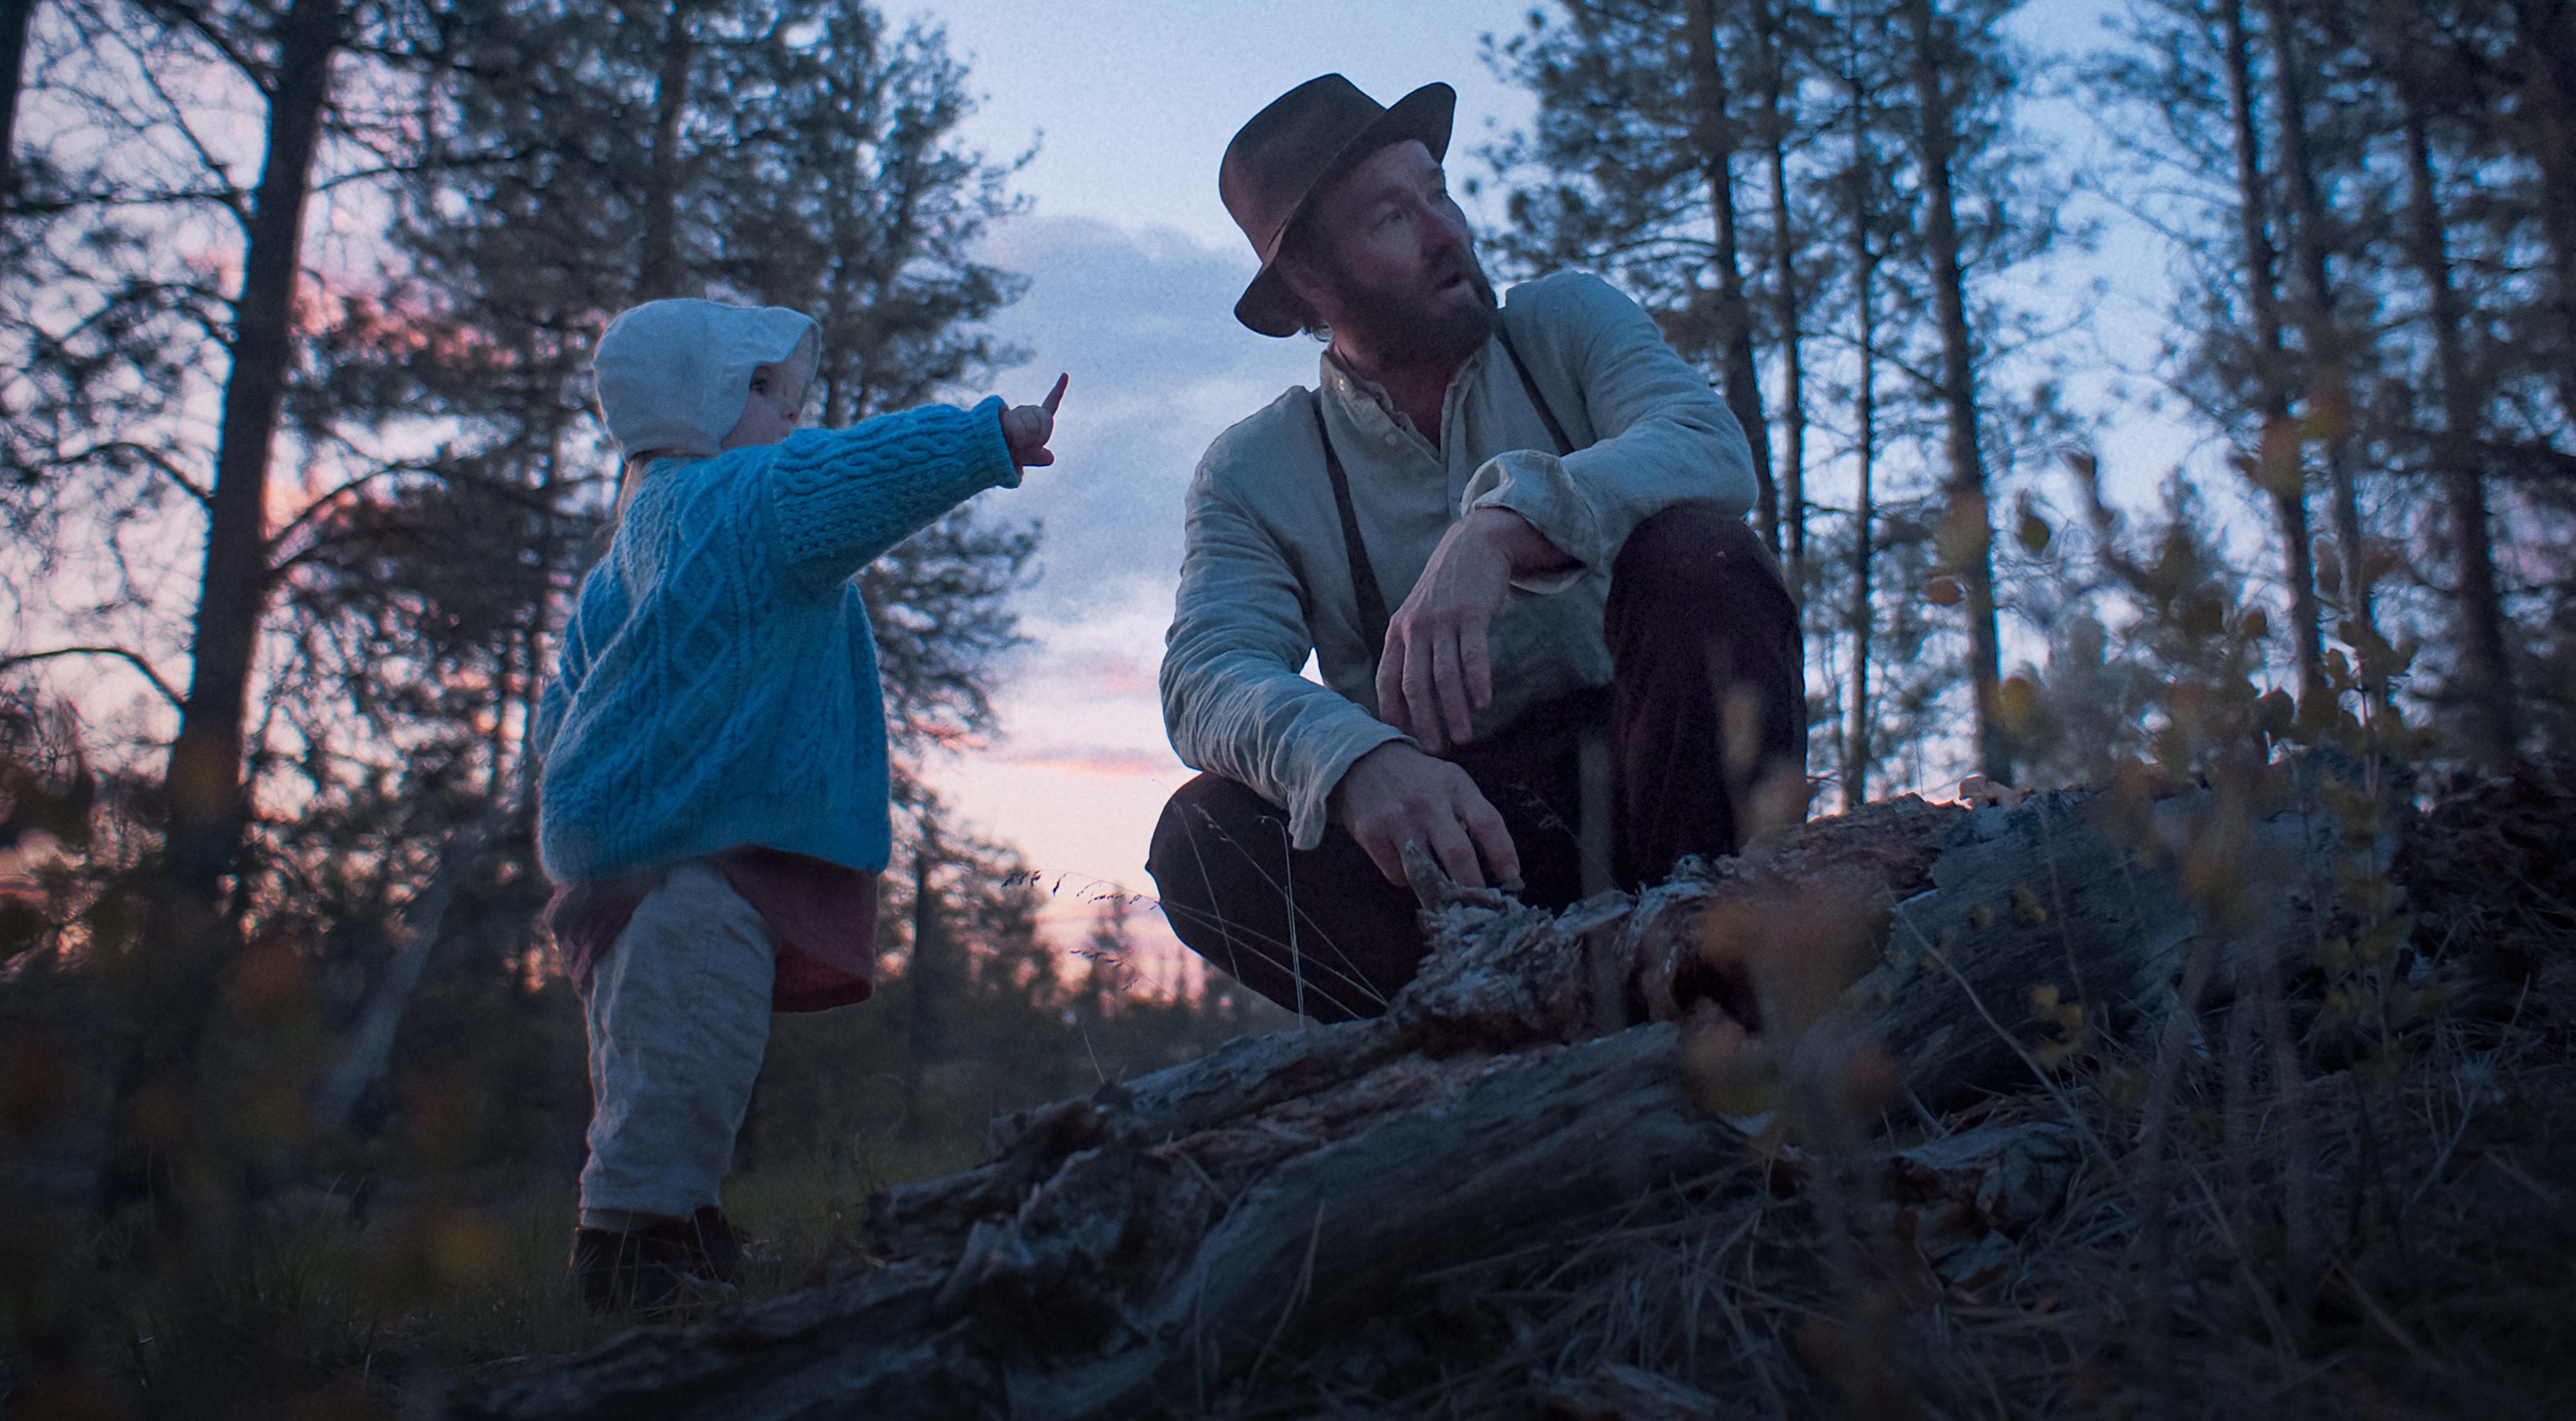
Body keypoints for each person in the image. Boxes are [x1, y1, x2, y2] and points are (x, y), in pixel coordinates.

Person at [1150, 74, 1806, 1021]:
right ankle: (1483, 1035)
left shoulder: (1566, 323)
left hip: (1666, 784)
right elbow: (1206, 674)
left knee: (1701, 554)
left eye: (1439, 194)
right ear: (1310, 284)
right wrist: (1351, 759)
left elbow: (1706, 445)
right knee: (1202, 837)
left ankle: (1720, 984)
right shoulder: (1254, 471)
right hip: (1455, 852)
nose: (1447, 232)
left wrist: (1500, 528)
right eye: (1392, 217)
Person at [534, 297, 1066, 1312]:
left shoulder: (629, 548)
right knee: (691, 1054)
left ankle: (679, 1223)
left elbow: (565, 704)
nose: (790, 412)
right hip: (697, 861)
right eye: (761, 389)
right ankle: (634, 1255)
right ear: (693, 404)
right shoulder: (752, 499)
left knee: (652, 1061)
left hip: (619, 864)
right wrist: (986, 438)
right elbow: (863, 470)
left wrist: (592, 791)